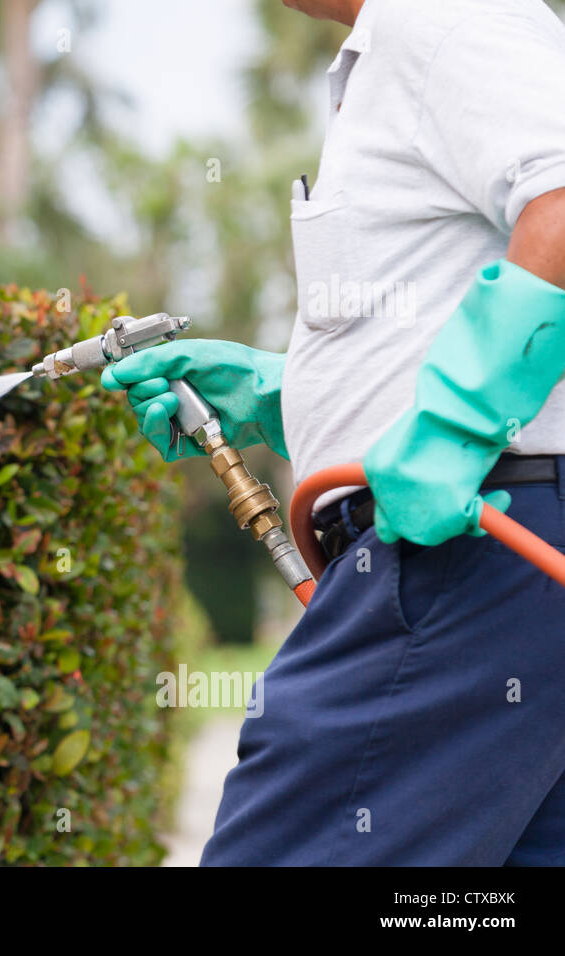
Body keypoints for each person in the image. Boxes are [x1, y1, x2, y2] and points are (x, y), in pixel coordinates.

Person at [103, 0, 565, 865]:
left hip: (464, 565)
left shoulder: (447, 20)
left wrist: (456, 427)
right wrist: (278, 393)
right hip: (500, 563)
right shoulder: (409, 49)